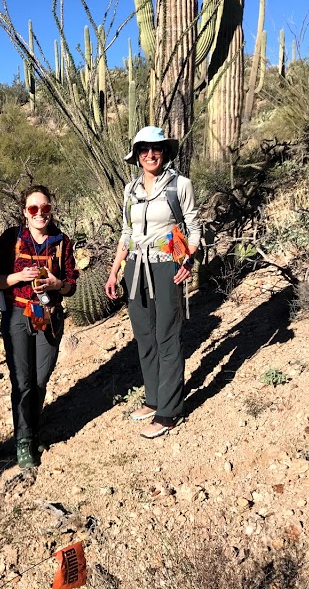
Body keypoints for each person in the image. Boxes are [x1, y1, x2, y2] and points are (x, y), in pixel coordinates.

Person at [104, 126, 202, 439]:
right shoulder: (130, 189)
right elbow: (126, 232)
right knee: (145, 336)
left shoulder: (179, 185)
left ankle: (170, 411)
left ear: (165, 151)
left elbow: (194, 228)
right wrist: (114, 270)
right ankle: (153, 398)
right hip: (134, 267)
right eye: (144, 149)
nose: (150, 154)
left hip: (166, 266)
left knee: (167, 335)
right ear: (136, 155)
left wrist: (187, 260)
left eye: (156, 148)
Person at [0, 186, 79, 470]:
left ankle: (32, 431)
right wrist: (18, 276)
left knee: (40, 381)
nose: (40, 214)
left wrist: (56, 285)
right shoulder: (11, 238)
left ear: (51, 209)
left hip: (49, 316)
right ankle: (24, 442)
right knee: (22, 383)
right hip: (17, 315)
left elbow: (71, 285)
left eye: (45, 208)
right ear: (25, 212)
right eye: (33, 209)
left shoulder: (61, 241)